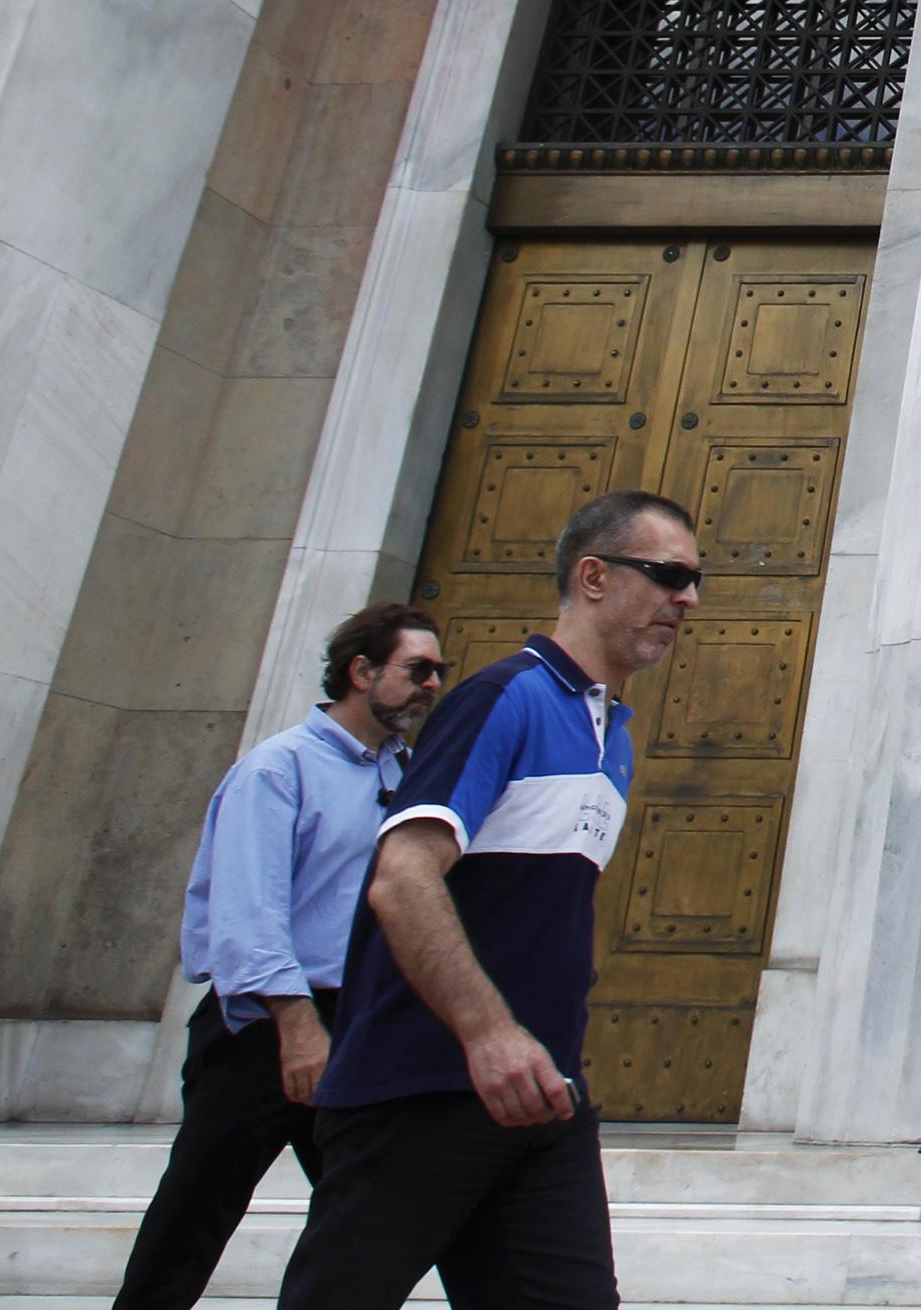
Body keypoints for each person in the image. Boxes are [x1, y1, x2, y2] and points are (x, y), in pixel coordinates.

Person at [270, 490, 699, 1310]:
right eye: (669, 575)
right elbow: (402, 877)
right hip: (424, 1091)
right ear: (594, 577)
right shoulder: (506, 697)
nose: (689, 599)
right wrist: (488, 1034)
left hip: (542, 1101)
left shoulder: (614, 735)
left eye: (694, 579)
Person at [111, 603, 446, 1310]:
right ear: (362, 671)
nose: (432, 685)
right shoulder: (278, 769)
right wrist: (297, 1027)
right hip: (268, 1028)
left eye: (437, 672)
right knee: (198, 1209)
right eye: (418, 669)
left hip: (362, 1025)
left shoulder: (410, 774)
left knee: (368, 1218)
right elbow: (247, 915)